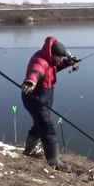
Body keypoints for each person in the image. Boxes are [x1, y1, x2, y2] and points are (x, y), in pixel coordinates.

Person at [21, 36, 79, 172]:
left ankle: (29, 151)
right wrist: (30, 81)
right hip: (34, 99)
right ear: (52, 54)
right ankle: (54, 161)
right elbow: (36, 71)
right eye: (59, 57)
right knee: (47, 126)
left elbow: (54, 67)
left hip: (44, 98)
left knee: (38, 124)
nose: (60, 60)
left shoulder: (50, 60)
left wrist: (67, 63)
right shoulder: (40, 60)